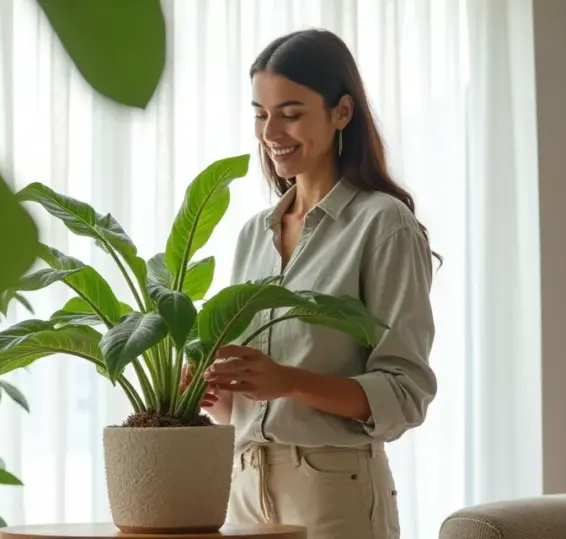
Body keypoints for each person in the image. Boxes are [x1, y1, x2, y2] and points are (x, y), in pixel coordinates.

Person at [181, 29, 439, 539]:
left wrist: (289, 381)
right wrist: (212, 390)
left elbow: (404, 394)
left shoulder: (383, 224)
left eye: (291, 113)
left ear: (341, 112)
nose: (270, 132)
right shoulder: (254, 234)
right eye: (261, 114)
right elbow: (242, 412)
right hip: (243, 486)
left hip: (333, 491)